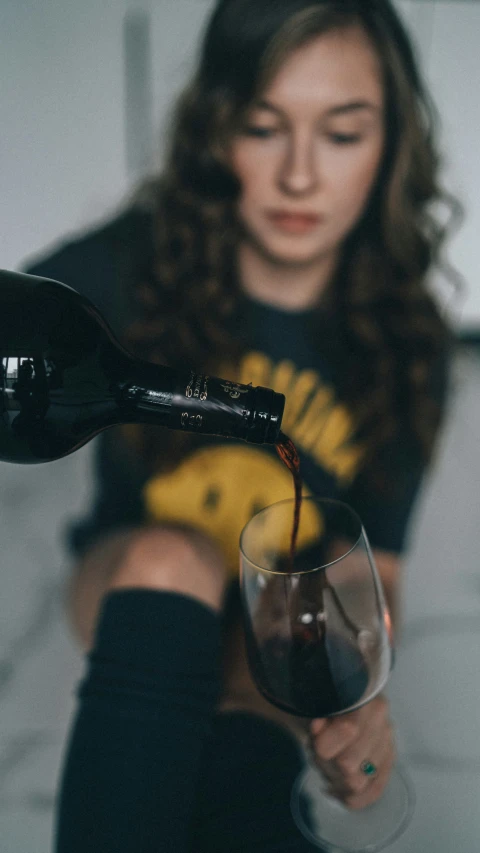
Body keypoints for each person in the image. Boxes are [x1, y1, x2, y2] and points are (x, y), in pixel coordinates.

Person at [23, 0, 460, 850]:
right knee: (171, 550)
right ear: (219, 130)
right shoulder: (134, 262)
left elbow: (381, 577)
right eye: (265, 127)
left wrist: (356, 700)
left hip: (275, 632)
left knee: (289, 629)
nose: (300, 176)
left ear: (390, 146)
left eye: (342, 134)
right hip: (138, 580)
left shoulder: (411, 340)